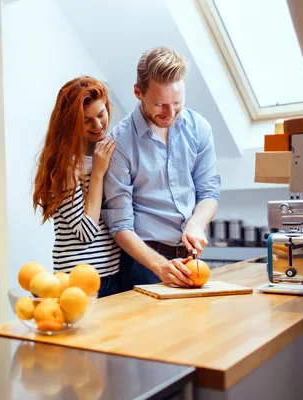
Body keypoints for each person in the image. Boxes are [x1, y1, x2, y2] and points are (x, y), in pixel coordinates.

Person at [101, 46, 221, 289]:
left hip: (189, 260)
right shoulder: (119, 143)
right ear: (138, 92)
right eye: (160, 104)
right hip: (142, 265)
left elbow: (209, 193)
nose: (170, 113)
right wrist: (159, 266)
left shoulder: (199, 128)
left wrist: (196, 224)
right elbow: (120, 225)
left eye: (177, 102)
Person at [33, 76, 122, 298]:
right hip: (78, 280)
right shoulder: (65, 166)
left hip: (112, 274)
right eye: (87, 120)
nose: (98, 125)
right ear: (71, 123)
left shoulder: (106, 151)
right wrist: (98, 174)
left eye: (101, 114)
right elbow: (85, 232)